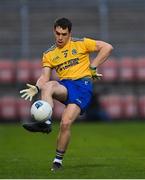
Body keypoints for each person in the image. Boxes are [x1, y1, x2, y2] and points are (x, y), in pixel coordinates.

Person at [20, 17, 113, 171]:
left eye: (64, 34)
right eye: (58, 33)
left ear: (70, 33)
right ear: (54, 32)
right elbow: (44, 77)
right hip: (65, 85)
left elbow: (108, 47)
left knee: (65, 123)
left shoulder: (81, 43)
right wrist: (37, 88)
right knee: (48, 86)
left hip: (82, 86)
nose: (60, 37)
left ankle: (58, 161)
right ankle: (46, 123)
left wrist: (93, 67)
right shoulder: (49, 54)